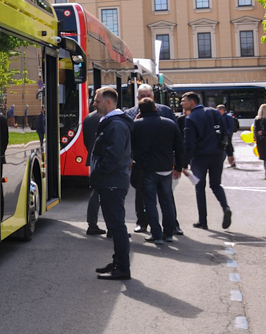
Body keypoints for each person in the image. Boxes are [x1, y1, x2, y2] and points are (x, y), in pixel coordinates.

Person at [89, 87, 133, 279]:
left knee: (117, 226)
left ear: (108, 102)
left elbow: (113, 156)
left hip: (112, 182)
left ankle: (122, 268)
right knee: (115, 225)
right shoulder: (113, 123)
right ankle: (118, 262)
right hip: (112, 181)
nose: (93, 103)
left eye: (97, 100)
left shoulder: (115, 125)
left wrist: (98, 173)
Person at [130, 98, 185, 242]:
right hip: (166, 168)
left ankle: (156, 234)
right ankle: (169, 233)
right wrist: (178, 167)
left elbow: (130, 146)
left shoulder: (135, 125)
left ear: (140, 111)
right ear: (155, 108)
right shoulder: (170, 123)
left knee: (149, 202)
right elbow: (179, 148)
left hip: (146, 168)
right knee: (167, 201)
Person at [182, 92, 233, 230]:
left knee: (199, 187)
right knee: (216, 185)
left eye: (184, 101)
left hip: (200, 157)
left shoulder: (191, 118)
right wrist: (229, 152)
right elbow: (225, 133)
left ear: (192, 102)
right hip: (217, 154)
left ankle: (203, 220)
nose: (181, 103)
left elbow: (188, 143)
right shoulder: (214, 112)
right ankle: (225, 207)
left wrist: (184, 163)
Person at [83, 107, 105, 235]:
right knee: (110, 193)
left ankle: (92, 224)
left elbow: (86, 141)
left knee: (96, 192)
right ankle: (113, 228)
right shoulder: (111, 118)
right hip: (106, 159)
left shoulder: (88, 118)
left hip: (93, 158)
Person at [217, 104, 238, 169]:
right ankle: (231, 163)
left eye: (218, 110)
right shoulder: (219, 116)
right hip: (221, 135)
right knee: (226, 150)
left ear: (222, 110)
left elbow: (231, 127)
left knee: (229, 150)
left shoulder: (228, 117)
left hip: (226, 136)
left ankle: (232, 163)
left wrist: (228, 134)